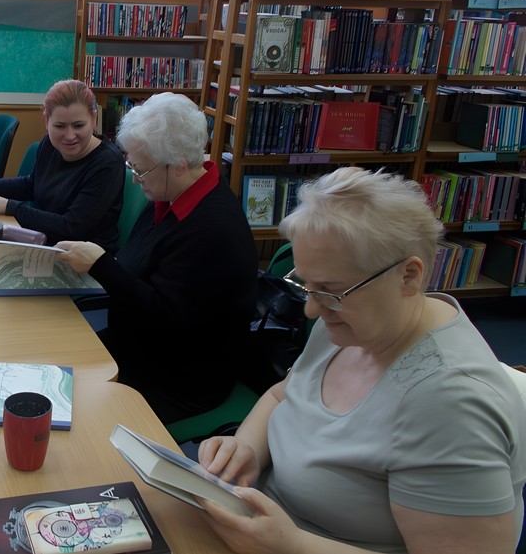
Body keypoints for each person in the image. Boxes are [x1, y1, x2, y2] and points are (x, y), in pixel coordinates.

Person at [196, 166, 526, 554]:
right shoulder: (352, 323)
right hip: (257, 520)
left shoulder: (450, 403)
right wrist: (247, 448)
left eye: (330, 290)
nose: (312, 310)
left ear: (409, 277)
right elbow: (282, 395)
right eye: (306, 285)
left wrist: (292, 545)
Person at [55, 92, 258, 424]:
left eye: (141, 169)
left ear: (178, 164)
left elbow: (168, 320)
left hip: (177, 377)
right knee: (50, 361)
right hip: (136, 349)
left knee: (69, 412)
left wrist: (100, 265)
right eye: (132, 166)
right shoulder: (170, 193)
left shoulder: (212, 230)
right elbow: (138, 266)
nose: (136, 179)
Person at [0, 79, 124, 251]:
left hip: (80, 258)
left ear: (94, 118)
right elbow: (31, 185)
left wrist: (10, 207)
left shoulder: (108, 163)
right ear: (46, 120)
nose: (70, 135)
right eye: (60, 126)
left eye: (78, 125)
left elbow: (71, 227)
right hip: (43, 241)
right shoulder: (49, 144)